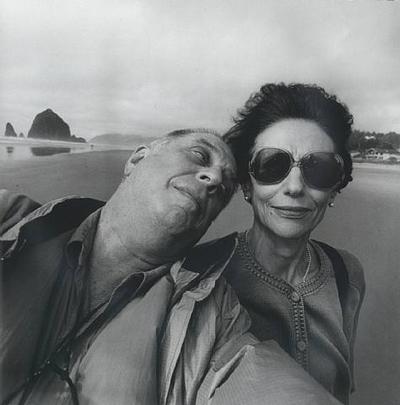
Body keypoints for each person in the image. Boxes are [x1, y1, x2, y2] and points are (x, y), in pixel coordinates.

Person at [0, 128, 340, 405]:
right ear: (137, 158)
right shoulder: (11, 221)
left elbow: (259, 380)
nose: (211, 179)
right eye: (199, 156)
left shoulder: (214, 322)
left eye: (222, 189)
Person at [197, 84, 365, 404]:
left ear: (334, 190)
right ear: (246, 184)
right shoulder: (200, 275)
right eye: (273, 165)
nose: (295, 187)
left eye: (319, 169)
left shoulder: (347, 274)